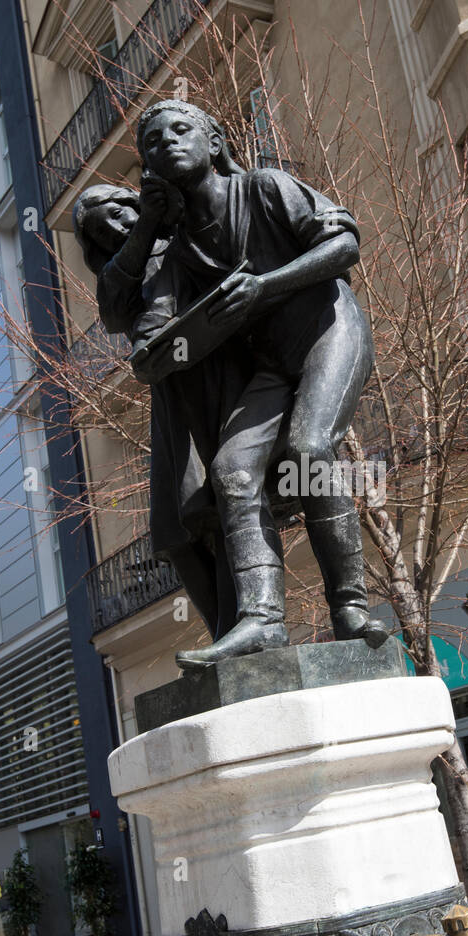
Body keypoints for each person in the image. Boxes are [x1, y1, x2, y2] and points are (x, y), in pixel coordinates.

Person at [129, 99, 386, 668]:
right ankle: (263, 619)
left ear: (214, 143)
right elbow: (151, 352)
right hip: (274, 365)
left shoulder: (266, 187)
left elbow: (344, 245)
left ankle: (350, 606)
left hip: (327, 329)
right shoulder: (178, 257)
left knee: (309, 447)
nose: (166, 142)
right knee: (230, 471)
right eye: (151, 142)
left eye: (179, 130)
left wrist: (265, 288)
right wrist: (180, 339)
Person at [72, 179, 251, 643]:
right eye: (100, 227)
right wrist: (146, 224)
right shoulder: (120, 272)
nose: (114, 225)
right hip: (174, 398)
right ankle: (224, 636)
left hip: (223, 381)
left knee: (220, 507)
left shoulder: (184, 239)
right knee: (174, 534)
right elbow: (114, 313)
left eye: (118, 210)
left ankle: (241, 632)